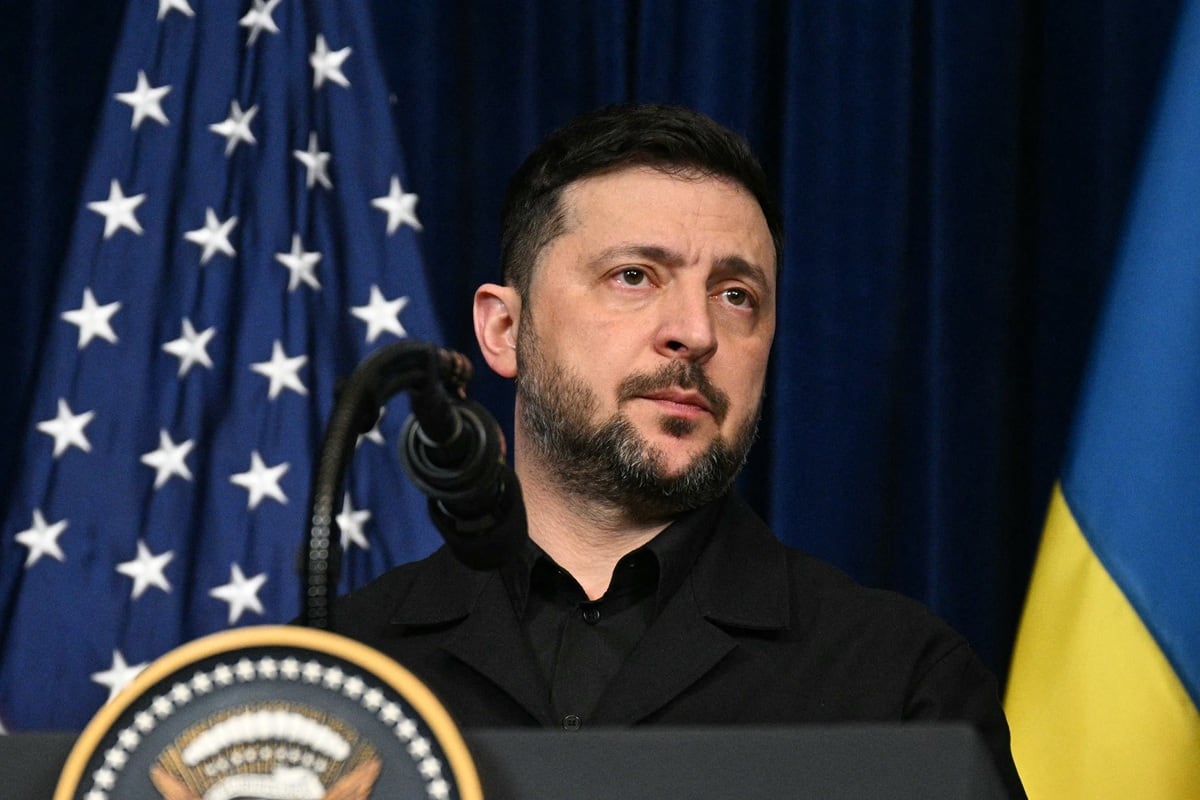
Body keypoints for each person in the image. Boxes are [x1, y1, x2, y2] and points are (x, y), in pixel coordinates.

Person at [331, 103, 1025, 796]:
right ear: (504, 329)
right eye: (634, 276)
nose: (696, 332)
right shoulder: (337, 674)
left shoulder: (899, 682)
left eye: (736, 295)